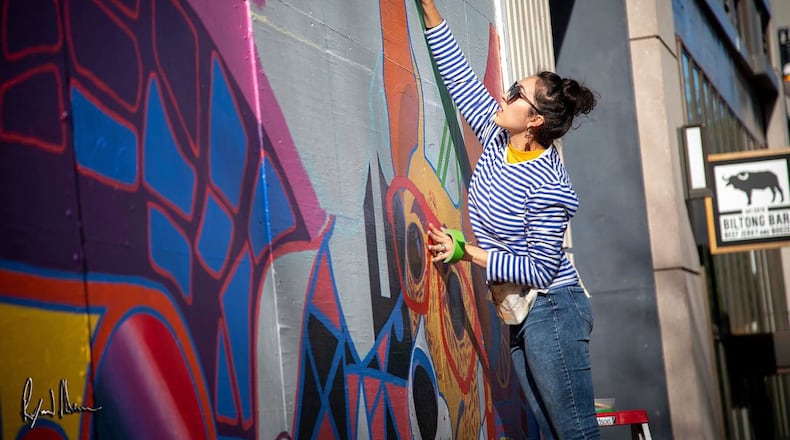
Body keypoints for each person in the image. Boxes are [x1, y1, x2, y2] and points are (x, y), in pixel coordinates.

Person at [419, 1, 600, 439]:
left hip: (553, 309)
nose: (506, 94)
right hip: (522, 313)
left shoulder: (547, 183)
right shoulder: (501, 137)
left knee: (575, 434)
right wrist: (428, 7)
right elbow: (461, 80)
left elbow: (540, 267)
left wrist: (467, 251)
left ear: (534, 120)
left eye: (517, 94)